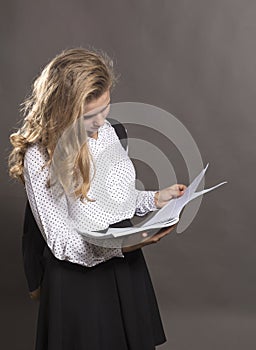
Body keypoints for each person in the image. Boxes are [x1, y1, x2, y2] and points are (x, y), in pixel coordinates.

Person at [8, 48, 187, 350]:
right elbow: (62, 242)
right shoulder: (39, 156)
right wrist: (120, 245)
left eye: (106, 108)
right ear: (62, 110)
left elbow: (118, 200)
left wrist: (156, 199)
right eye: (90, 116)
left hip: (125, 267)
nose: (101, 121)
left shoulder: (110, 131)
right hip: (77, 280)